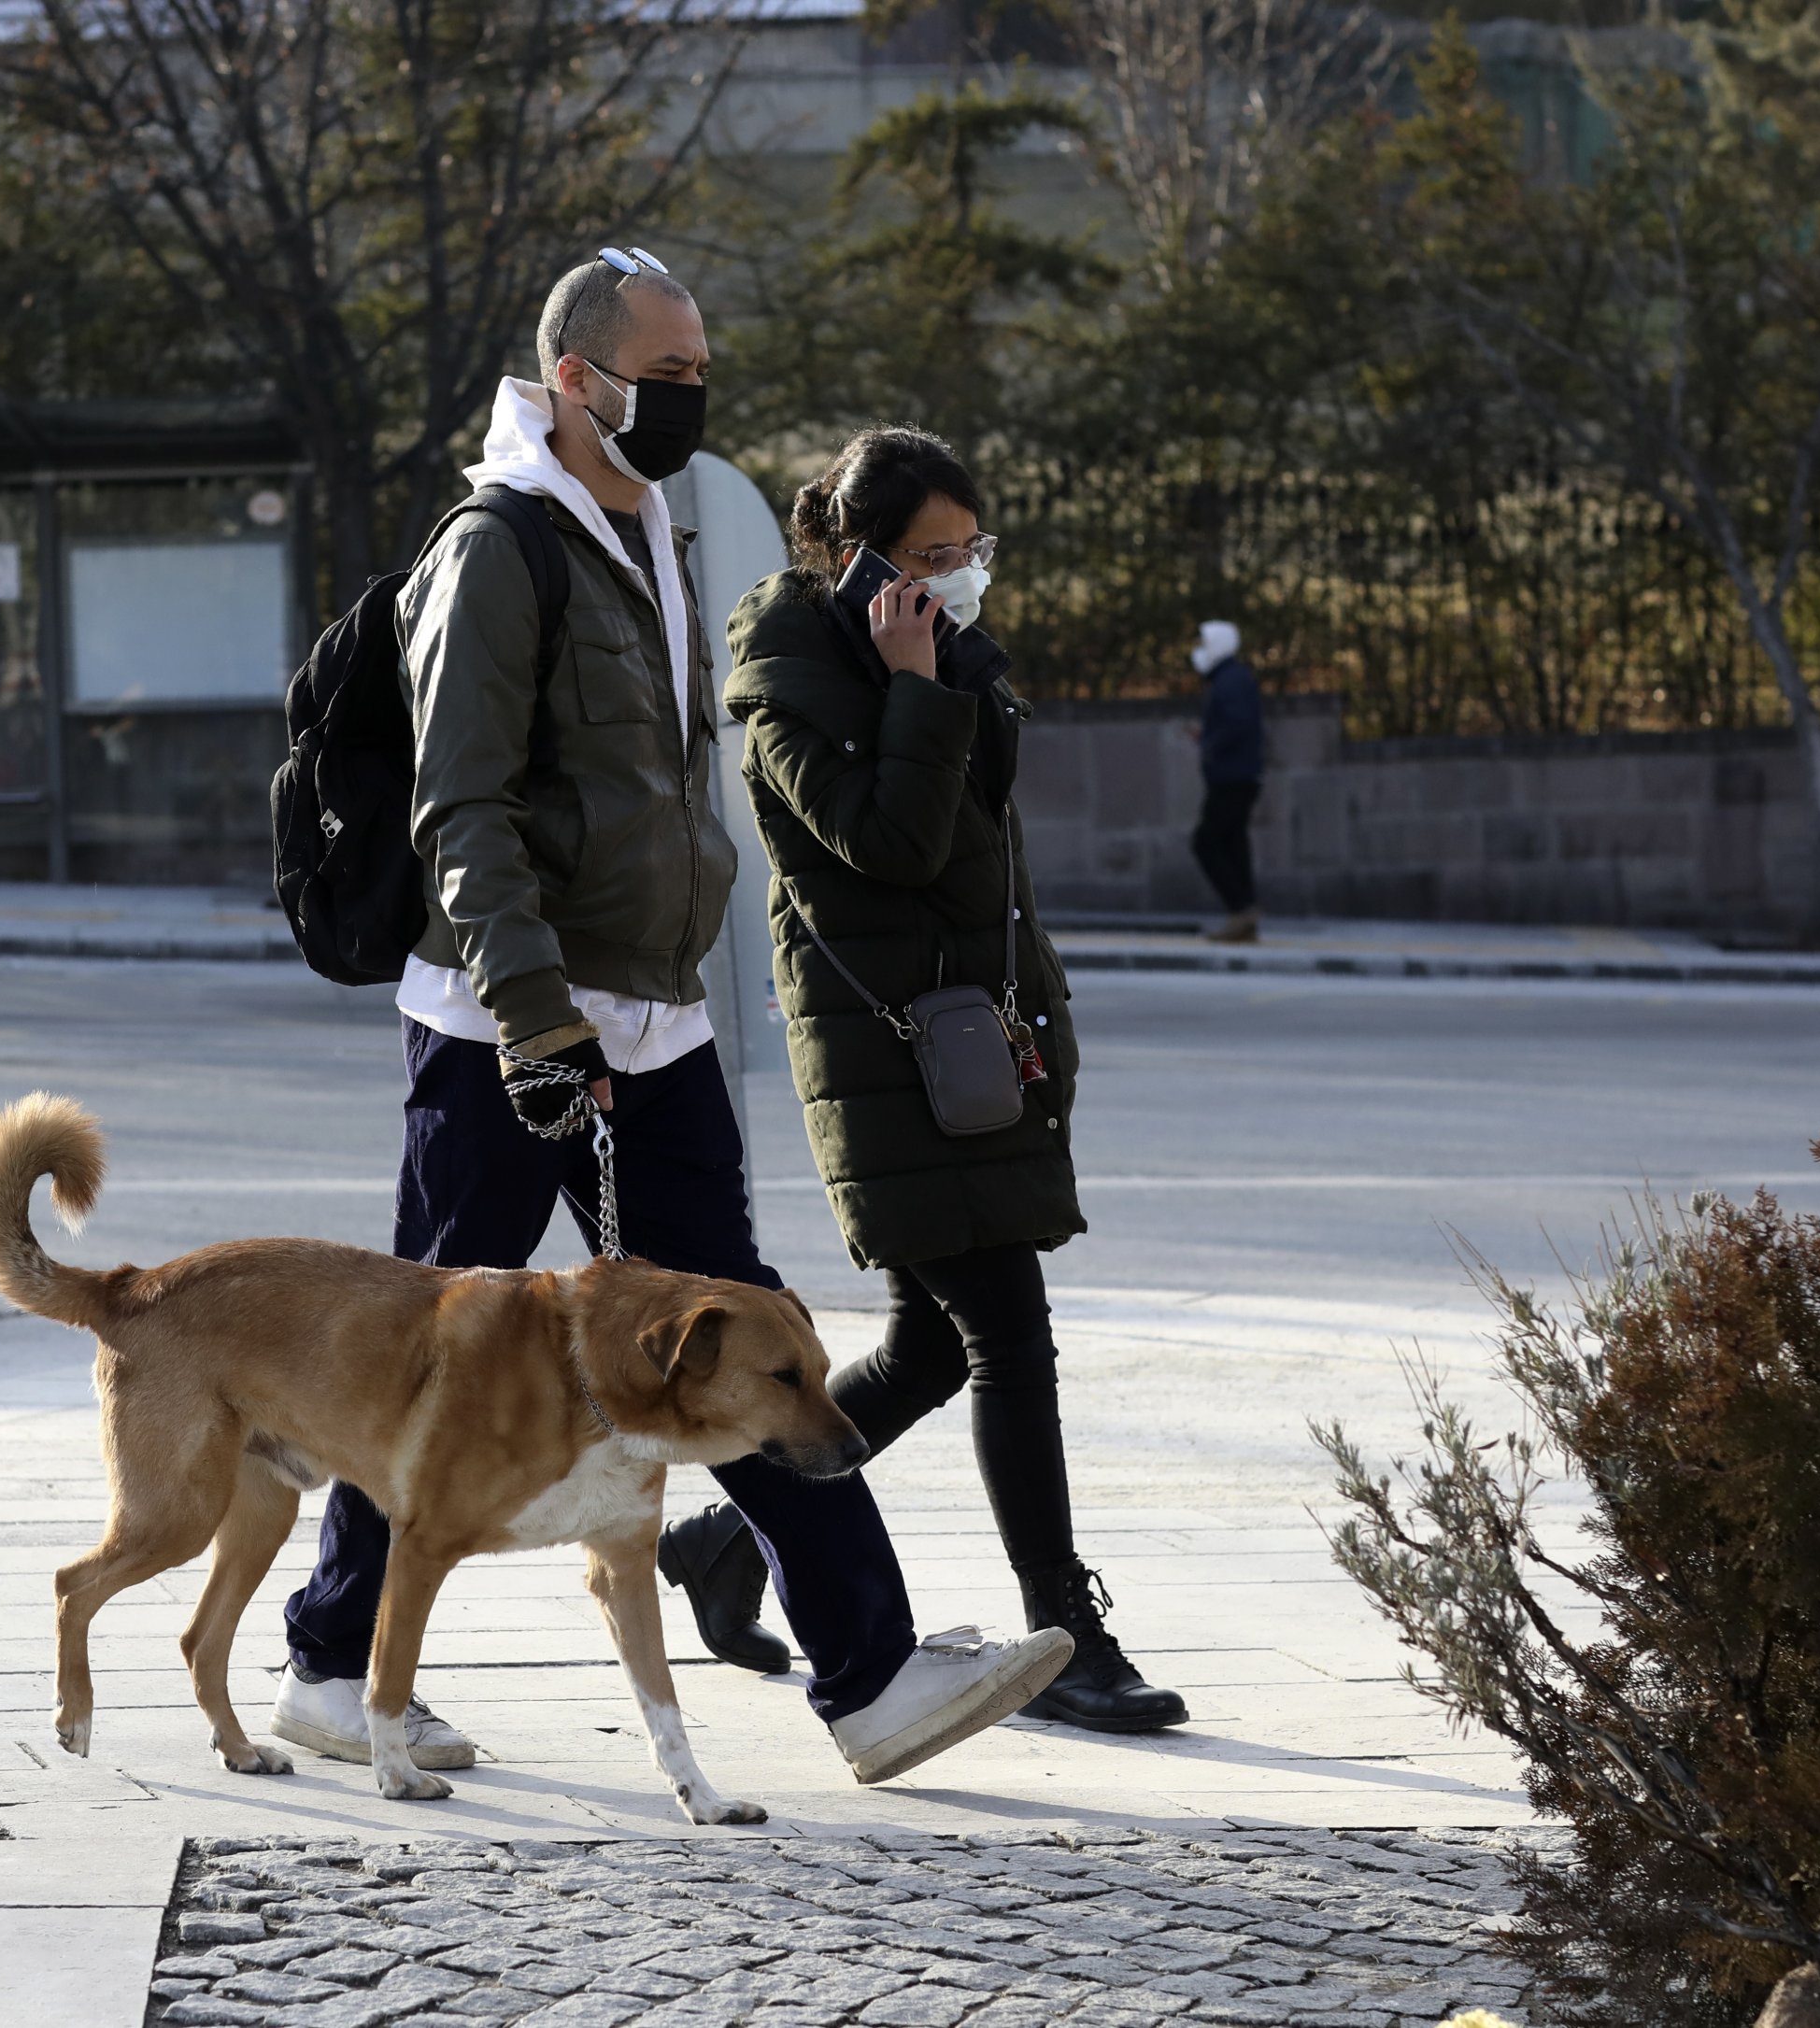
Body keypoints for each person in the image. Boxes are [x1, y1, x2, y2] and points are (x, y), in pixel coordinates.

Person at [269, 252, 1072, 1786]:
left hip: (654, 1017)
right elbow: (461, 804)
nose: (693, 390)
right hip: (517, 1029)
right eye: (666, 367)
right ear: (576, 379)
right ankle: (328, 1662)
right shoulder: (498, 547)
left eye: (702, 361)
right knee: (436, 1349)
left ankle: (872, 1674)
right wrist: (532, 1017)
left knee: (751, 1332)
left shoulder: (645, 522)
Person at [695, 425, 1189, 1735]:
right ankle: (1067, 1633)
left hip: (974, 1043)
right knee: (1008, 1338)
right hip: (895, 1061)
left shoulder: (946, 656)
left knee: (927, 1346)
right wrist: (921, 682)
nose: (961, 575)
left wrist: (941, 668)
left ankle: (728, 1533)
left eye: (972, 551)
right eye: (932, 554)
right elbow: (891, 846)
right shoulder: (785, 683)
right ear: (855, 557)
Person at [1188, 617, 1266, 943]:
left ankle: (1241, 911)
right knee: (1234, 844)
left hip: (1231, 777)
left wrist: (1209, 744)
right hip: (1239, 775)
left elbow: (1238, 724)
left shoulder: (1230, 680)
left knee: (1206, 842)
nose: (1199, 651)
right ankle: (1244, 915)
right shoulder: (1232, 678)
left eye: (1205, 643)